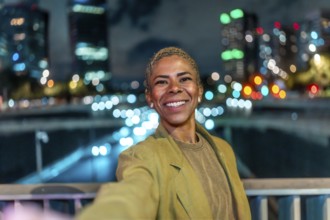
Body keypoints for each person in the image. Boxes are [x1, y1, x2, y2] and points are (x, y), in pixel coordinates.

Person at [76, 46, 251, 219]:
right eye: (162, 82)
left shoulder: (223, 149)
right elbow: (130, 196)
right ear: (150, 98)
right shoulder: (141, 157)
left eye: (184, 79)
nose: (174, 88)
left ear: (199, 92)